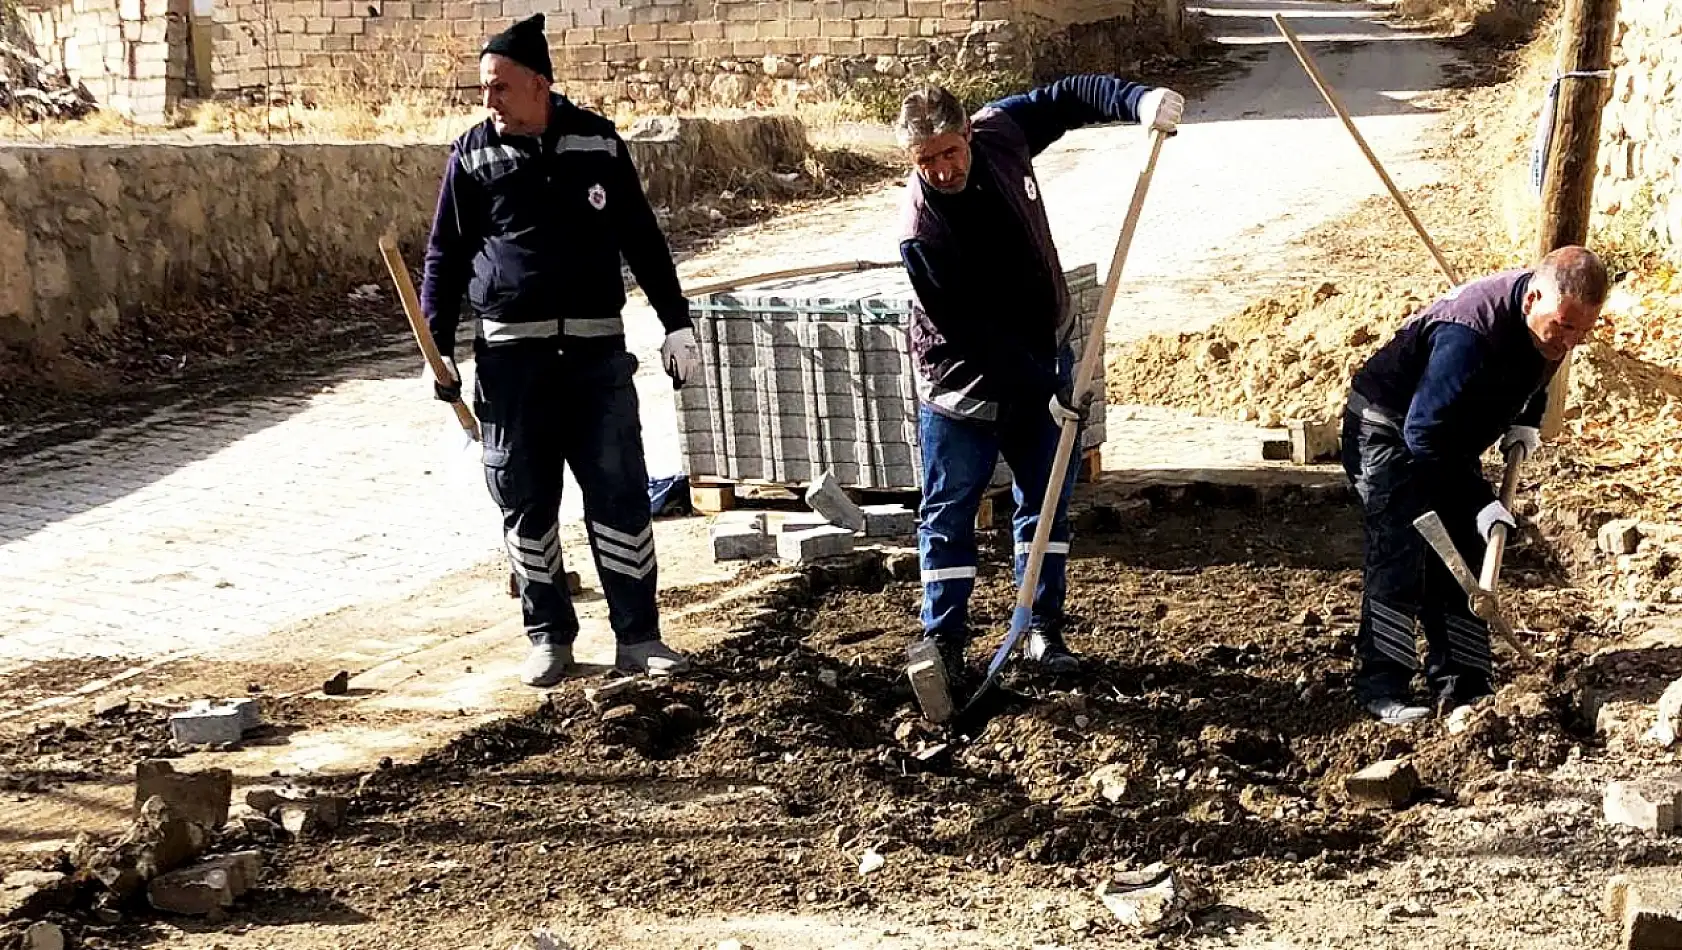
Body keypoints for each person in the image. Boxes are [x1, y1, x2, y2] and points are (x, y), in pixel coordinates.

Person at [419, 13, 702, 687]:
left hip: (597, 362)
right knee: (525, 499)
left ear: (540, 85)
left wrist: (676, 322)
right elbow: (444, 255)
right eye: (484, 89)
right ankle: (549, 637)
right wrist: (438, 346)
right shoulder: (472, 154)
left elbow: (641, 237)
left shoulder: (597, 143)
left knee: (620, 494)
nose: (489, 100)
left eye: (500, 87)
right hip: (511, 368)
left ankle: (639, 636)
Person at [894, 76, 1184, 680]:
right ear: (910, 159)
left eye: (949, 151)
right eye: (926, 161)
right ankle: (944, 643)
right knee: (950, 510)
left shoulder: (1001, 133)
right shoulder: (922, 231)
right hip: (962, 382)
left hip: (1041, 355)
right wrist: (1041, 390)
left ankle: (1040, 632)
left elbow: (1067, 97)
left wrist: (1136, 103)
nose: (942, 169)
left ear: (968, 132)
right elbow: (972, 336)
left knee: (1046, 503)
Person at [1341, 246, 1608, 725]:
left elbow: (1533, 371)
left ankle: (1465, 681)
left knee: (1463, 550)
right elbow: (1422, 434)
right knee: (1404, 547)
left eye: (1583, 331)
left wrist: (1526, 418)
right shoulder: (1469, 335)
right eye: (1565, 327)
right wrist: (1480, 500)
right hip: (1386, 428)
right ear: (1532, 300)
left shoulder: (1548, 328)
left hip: (1444, 437)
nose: (1570, 341)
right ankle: (1383, 686)